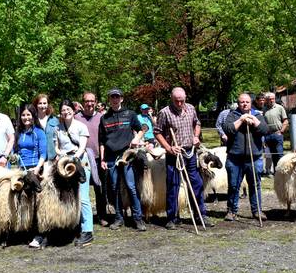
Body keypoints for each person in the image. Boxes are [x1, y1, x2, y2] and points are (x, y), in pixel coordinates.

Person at [33, 99, 93, 248]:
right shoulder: (57, 128)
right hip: (63, 164)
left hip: (79, 162)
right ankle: (70, 226)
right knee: (65, 195)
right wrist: (61, 155)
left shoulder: (81, 126)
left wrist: (73, 157)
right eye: (63, 110)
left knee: (82, 197)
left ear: (74, 110)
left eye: (68, 109)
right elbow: (57, 147)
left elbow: (82, 147)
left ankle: (87, 231)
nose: (66, 112)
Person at [154, 87, 212, 229]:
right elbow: (157, 132)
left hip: (190, 153)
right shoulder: (164, 112)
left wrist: (196, 136)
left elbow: (197, 123)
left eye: (181, 100)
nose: (179, 103)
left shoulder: (191, 108)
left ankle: (200, 214)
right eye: (176, 101)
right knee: (173, 185)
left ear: (185, 98)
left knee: (196, 183)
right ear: (171, 98)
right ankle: (172, 218)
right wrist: (169, 148)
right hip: (174, 154)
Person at [99, 88, 145, 231]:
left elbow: (142, 128)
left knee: (131, 186)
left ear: (121, 99)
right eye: (112, 97)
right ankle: (119, 218)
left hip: (127, 156)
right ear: (109, 100)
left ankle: (138, 218)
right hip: (111, 157)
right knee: (115, 188)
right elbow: (101, 141)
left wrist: (137, 138)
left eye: (117, 97)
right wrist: (102, 159)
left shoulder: (130, 114)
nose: (115, 99)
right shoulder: (104, 118)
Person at [223, 93, 268, 221]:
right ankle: (231, 211)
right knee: (234, 185)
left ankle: (257, 210)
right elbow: (228, 130)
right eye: (242, 102)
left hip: (254, 158)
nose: (244, 104)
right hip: (235, 158)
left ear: (251, 103)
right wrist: (241, 119)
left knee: (255, 185)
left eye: (247, 102)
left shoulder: (258, 115)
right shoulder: (232, 115)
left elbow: (264, 130)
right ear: (238, 104)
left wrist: (253, 120)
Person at [75, 92, 106, 226]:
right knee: (81, 189)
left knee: (100, 189)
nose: (89, 103)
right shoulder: (77, 117)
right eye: (87, 101)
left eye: (92, 101)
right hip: (82, 159)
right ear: (83, 102)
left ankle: (102, 215)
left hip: (98, 158)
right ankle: (80, 217)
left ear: (96, 102)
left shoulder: (101, 117)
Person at [14, 104, 47, 173]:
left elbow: (43, 154)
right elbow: (15, 152)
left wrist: (37, 168)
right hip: (20, 169)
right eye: (23, 115)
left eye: (28, 115)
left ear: (33, 116)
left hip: (34, 168)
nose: (26, 117)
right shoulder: (18, 132)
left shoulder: (39, 132)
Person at [263, 92, 288, 175]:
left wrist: (281, 131)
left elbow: (285, 121)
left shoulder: (280, 108)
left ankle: (282, 172)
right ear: (266, 100)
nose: (271, 100)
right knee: (272, 155)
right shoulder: (264, 109)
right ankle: (276, 173)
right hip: (268, 135)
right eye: (269, 99)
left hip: (277, 134)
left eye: (273, 99)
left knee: (279, 154)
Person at [33, 93, 59, 161]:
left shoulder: (54, 120)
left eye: (44, 103)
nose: (42, 106)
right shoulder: (32, 121)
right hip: (36, 159)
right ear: (36, 105)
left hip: (53, 158)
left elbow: (60, 138)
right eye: (40, 103)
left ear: (48, 105)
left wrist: (58, 153)